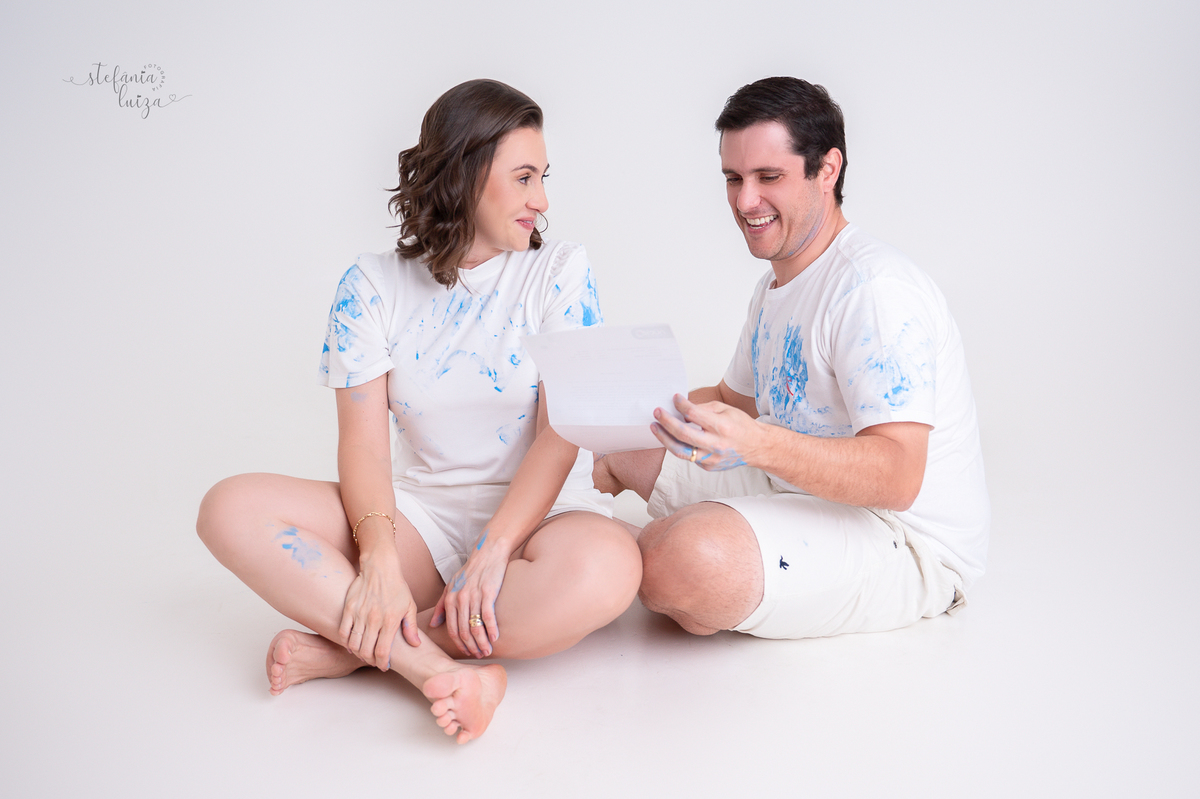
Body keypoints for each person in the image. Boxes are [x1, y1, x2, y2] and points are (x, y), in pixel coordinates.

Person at [197, 79, 641, 744]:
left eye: (542, 178)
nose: (541, 201)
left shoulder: (560, 271)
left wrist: (493, 550)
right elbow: (364, 446)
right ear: (464, 174)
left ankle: (358, 650)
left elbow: (561, 431)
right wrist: (378, 558)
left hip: (544, 518)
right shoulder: (371, 286)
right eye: (523, 178)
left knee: (609, 569)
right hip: (421, 517)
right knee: (229, 508)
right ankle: (433, 667)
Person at [595, 77, 989, 640]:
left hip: (900, 537)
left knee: (681, 560)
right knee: (614, 441)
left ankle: (635, 559)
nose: (744, 201)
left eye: (768, 177)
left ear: (827, 169)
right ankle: (522, 551)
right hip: (796, 488)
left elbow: (898, 475)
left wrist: (757, 443)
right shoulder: (775, 286)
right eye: (734, 178)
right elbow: (731, 402)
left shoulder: (874, 291)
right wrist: (608, 407)